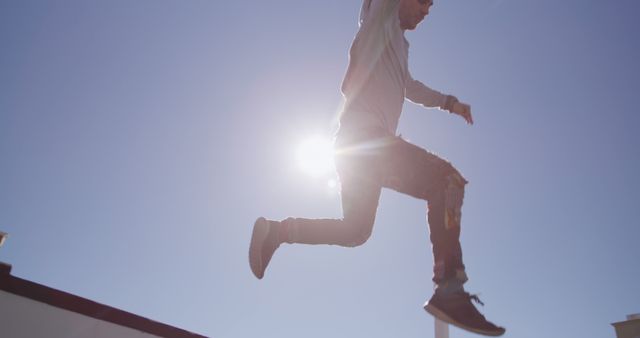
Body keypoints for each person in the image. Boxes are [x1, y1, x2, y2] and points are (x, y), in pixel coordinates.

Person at [249, 0, 505, 336]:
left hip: (355, 148)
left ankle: (278, 232)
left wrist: (448, 103)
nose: (426, 12)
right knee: (447, 180)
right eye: (423, 3)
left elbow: (409, 86)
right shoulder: (380, 19)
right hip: (365, 140)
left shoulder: (398, 43)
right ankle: (450, 290)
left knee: (356, 231)